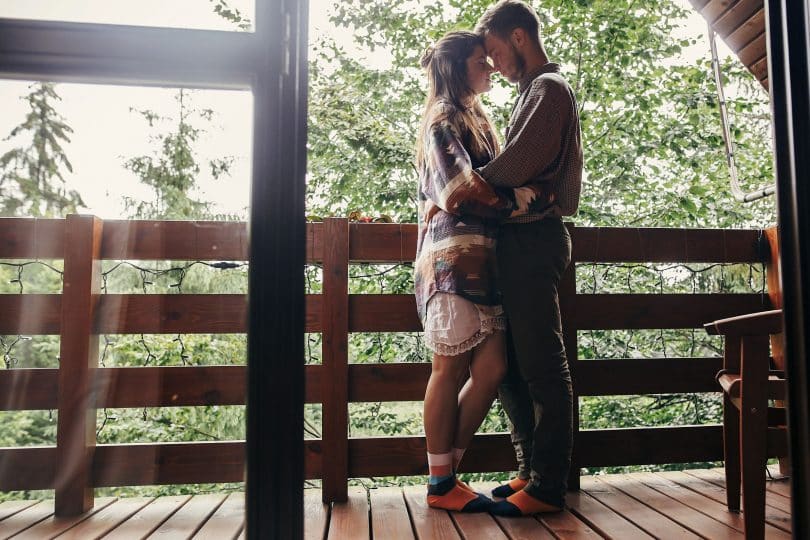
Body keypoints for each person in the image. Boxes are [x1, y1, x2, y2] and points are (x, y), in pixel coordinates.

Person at [414, 30, 555, 512]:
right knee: (448, 367)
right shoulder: (443, 119)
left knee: (491, 369)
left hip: (485, 261)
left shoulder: (476, 117)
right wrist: (518, 201)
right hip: (453, 262)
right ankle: (440, 484)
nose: (490, 67)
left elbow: (484, 182)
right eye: (480, 61)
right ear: (457, 69)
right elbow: (457, 189)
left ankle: (446, 473)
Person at [474, 0, 584, 517]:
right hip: (519, 240)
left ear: (519, 37)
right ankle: (527, 471)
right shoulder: (530, 92)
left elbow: (519, 163)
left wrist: (460, 187)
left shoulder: (549, 90)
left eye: (494, 51)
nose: (492, 64)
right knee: (512, 365)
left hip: (537, 237)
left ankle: (547, 485)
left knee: (541, 363)